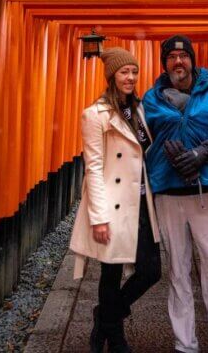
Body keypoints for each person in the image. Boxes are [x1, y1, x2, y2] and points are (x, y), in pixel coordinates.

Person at [142, 35, 208, 353]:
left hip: (207, 192)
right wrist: (166, 158)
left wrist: (206, 151)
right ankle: (184, 345)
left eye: (183, 56)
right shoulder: (152, 99)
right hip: (168, 194)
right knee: (178, 272)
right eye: (171, 57)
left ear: (192, 60)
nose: (178, 62)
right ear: (164, 63)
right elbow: (141, 141)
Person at [69, 47, 162, 353]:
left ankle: (104, 317)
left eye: (134, 72)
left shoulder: (139, 110)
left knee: (151, 271)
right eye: (125, 72)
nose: (131, 78)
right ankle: (116, 338)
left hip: (140, 202)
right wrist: (98, 217)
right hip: (113, 205)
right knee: (110, 272)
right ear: (112, 76)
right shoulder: (95, 115)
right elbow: (93, 168)